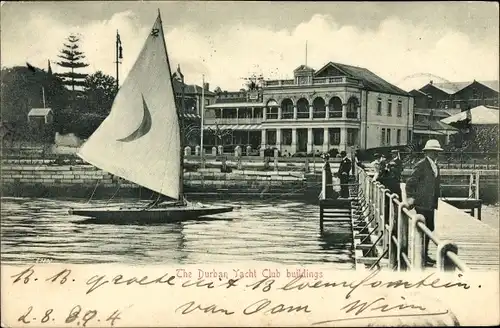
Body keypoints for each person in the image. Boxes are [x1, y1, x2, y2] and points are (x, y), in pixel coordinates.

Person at [405, 139, 443, 265]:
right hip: (422, 203)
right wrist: (411, 198)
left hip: (431, 203)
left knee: (430, 228)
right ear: (428, 152)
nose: (436, 154)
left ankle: (424, 254)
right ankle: (421, 255)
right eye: (434, 151)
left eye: (437, 152)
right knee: (424, 228)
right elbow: (410, 183)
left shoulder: (435, 165)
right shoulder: (421, 165)